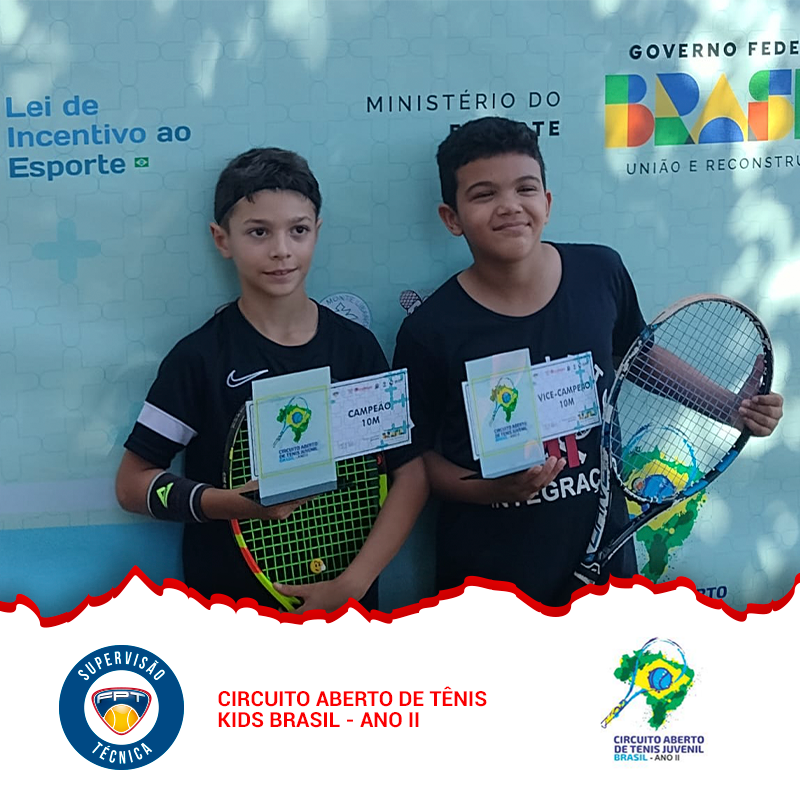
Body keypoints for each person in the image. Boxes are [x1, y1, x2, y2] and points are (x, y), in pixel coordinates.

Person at [392, 116, 783, 606]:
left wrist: (728, 406)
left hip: (604, 561)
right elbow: (417, 463)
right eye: (484, 194)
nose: (510, 206)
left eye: (525, 188)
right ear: (452, 218)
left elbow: (637, 357)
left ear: (547, 202)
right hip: (488, 579)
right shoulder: (430, 329)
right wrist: (489, 490)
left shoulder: (599, 272)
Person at [116, 147, 428, 613]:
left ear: (317, 231)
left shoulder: (355, 349)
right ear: (222, 239)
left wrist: (352, 584)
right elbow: (131, 484)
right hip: (233, 615)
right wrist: (229, 503)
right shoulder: (198, 358)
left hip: (346, 609)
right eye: (258, 232)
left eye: (298, 230)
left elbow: (410, 475)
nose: (281, 249)